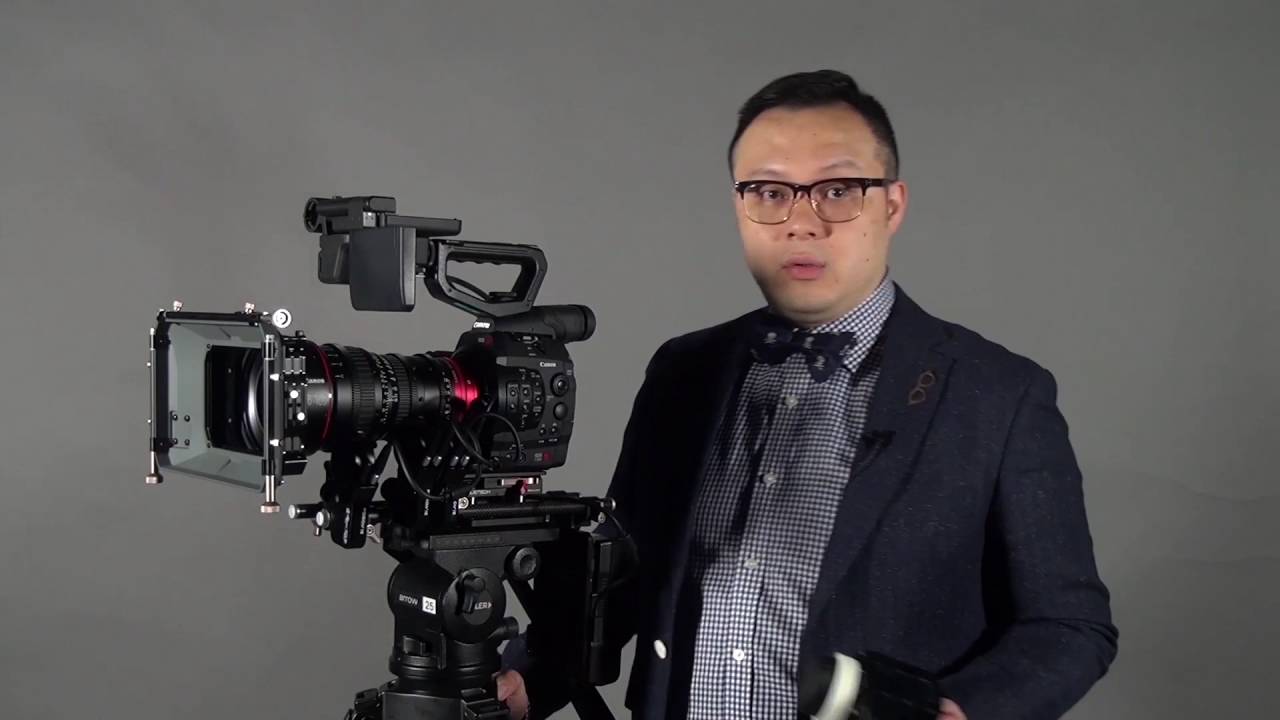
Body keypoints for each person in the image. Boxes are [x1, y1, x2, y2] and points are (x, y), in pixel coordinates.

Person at [497, 69, 1118, 720]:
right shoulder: (683, 371)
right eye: (770, 192)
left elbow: (1070, 627)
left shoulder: (997, 394)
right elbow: (623, 576)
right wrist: (529, 681)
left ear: (892, 205)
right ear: (739, 206)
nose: (801, 222)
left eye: (838, 190)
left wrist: (960, 711)